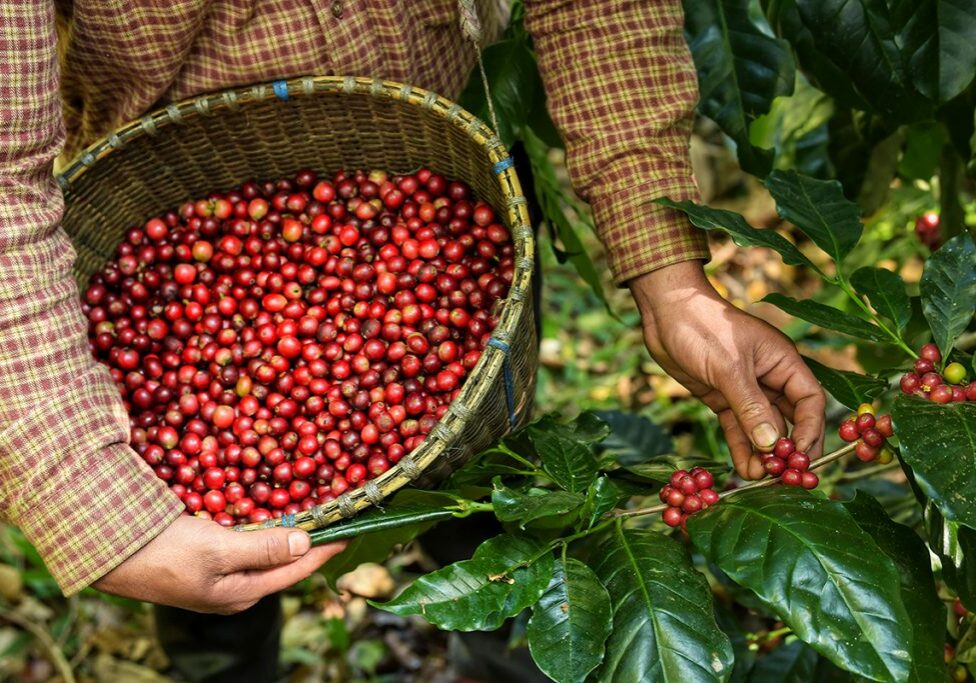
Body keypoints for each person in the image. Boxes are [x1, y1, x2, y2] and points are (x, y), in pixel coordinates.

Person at [0, 0, 824, 667]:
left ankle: (509, 646)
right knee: (209, 588)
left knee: (495, 505)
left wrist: (671, 281)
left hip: (435, 135)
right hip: (159, 158)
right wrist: (95, 504)